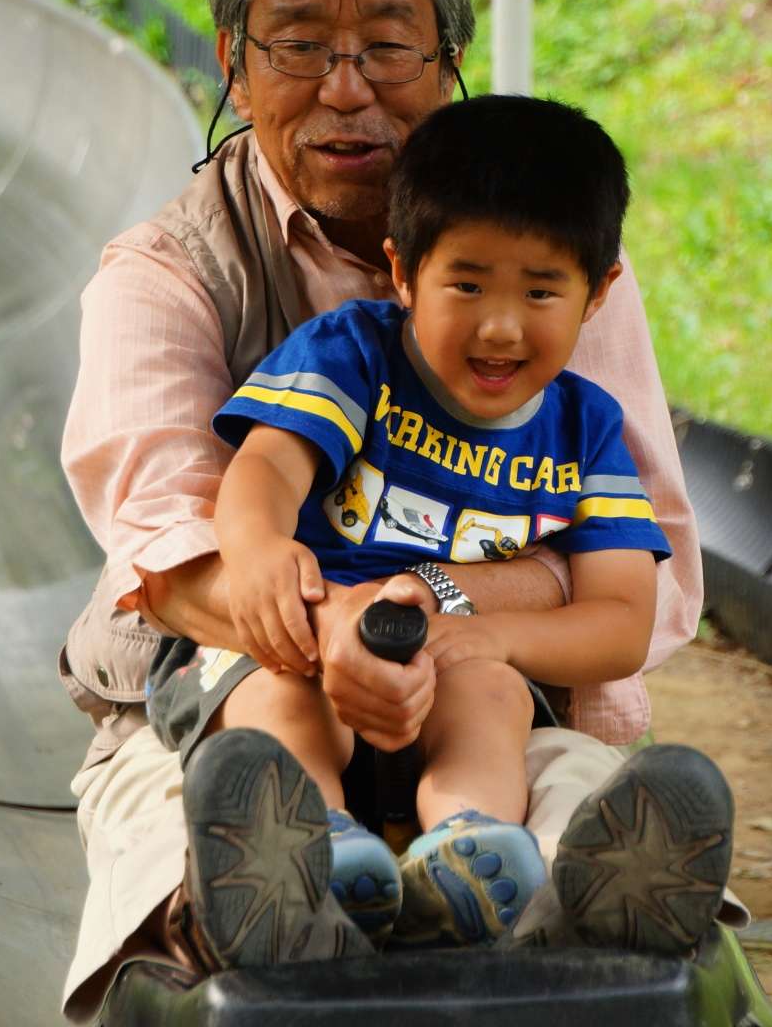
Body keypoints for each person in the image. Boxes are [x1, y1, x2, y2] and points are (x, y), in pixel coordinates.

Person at [57, 0, 740, 1021]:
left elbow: (645, 579)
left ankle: (570, 909)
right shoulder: (169, 276)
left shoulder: (559, 278)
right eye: (298, 44)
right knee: (207, 805)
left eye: (387, 43)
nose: (345, 87)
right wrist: (353, 628)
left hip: (489, 683)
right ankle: (288, 902)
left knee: (564, 791)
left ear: (449, 57)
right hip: (250, 676)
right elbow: (174, 548)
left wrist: (443, 619)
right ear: (233, 58)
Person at [156, 95, 674, 951]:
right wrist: (257, 555)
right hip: (308, 637)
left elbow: (623, 621)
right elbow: (270, 464)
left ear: (598, 292)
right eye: (466, 284)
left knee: (494, 694)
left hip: (451, 664)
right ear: (402, 272)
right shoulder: (354, 353)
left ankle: (464, 853)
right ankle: (312, 848)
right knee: (277, 691)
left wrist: (497, 641)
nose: (500, 327)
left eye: (541, 290)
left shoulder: (587, 430)